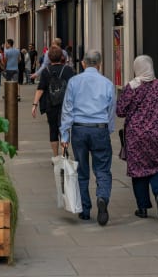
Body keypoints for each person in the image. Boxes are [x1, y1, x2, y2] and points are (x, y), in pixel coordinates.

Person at [60, 49, 115, 225]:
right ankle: (102, 197)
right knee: (103, 169)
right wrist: (109, 129)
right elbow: (111, 109)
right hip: (99, 128)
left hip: (79, 129)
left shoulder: (74, 82)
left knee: (82, 170)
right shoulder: (107, 83)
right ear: (100, 64)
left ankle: (85, 209)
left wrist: (64, 134)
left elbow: (67, 108)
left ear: (83, 63)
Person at [116, 55, 158, 219]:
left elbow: (120, 111)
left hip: (135, 135)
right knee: (157, 165)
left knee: (138, 170)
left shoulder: (131, 87)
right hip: (156, 133)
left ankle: (142, 208)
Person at [32, 46, 74, 156]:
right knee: (64, 129)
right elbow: (74, 88)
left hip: (50, 104)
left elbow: (40, 89)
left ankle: (56, 156)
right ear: (62, 57)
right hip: (66, 105)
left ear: (49, 58)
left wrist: (35, 104)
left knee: (53, 129)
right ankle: (64, 152)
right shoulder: (68, 70)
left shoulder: (46, 71)